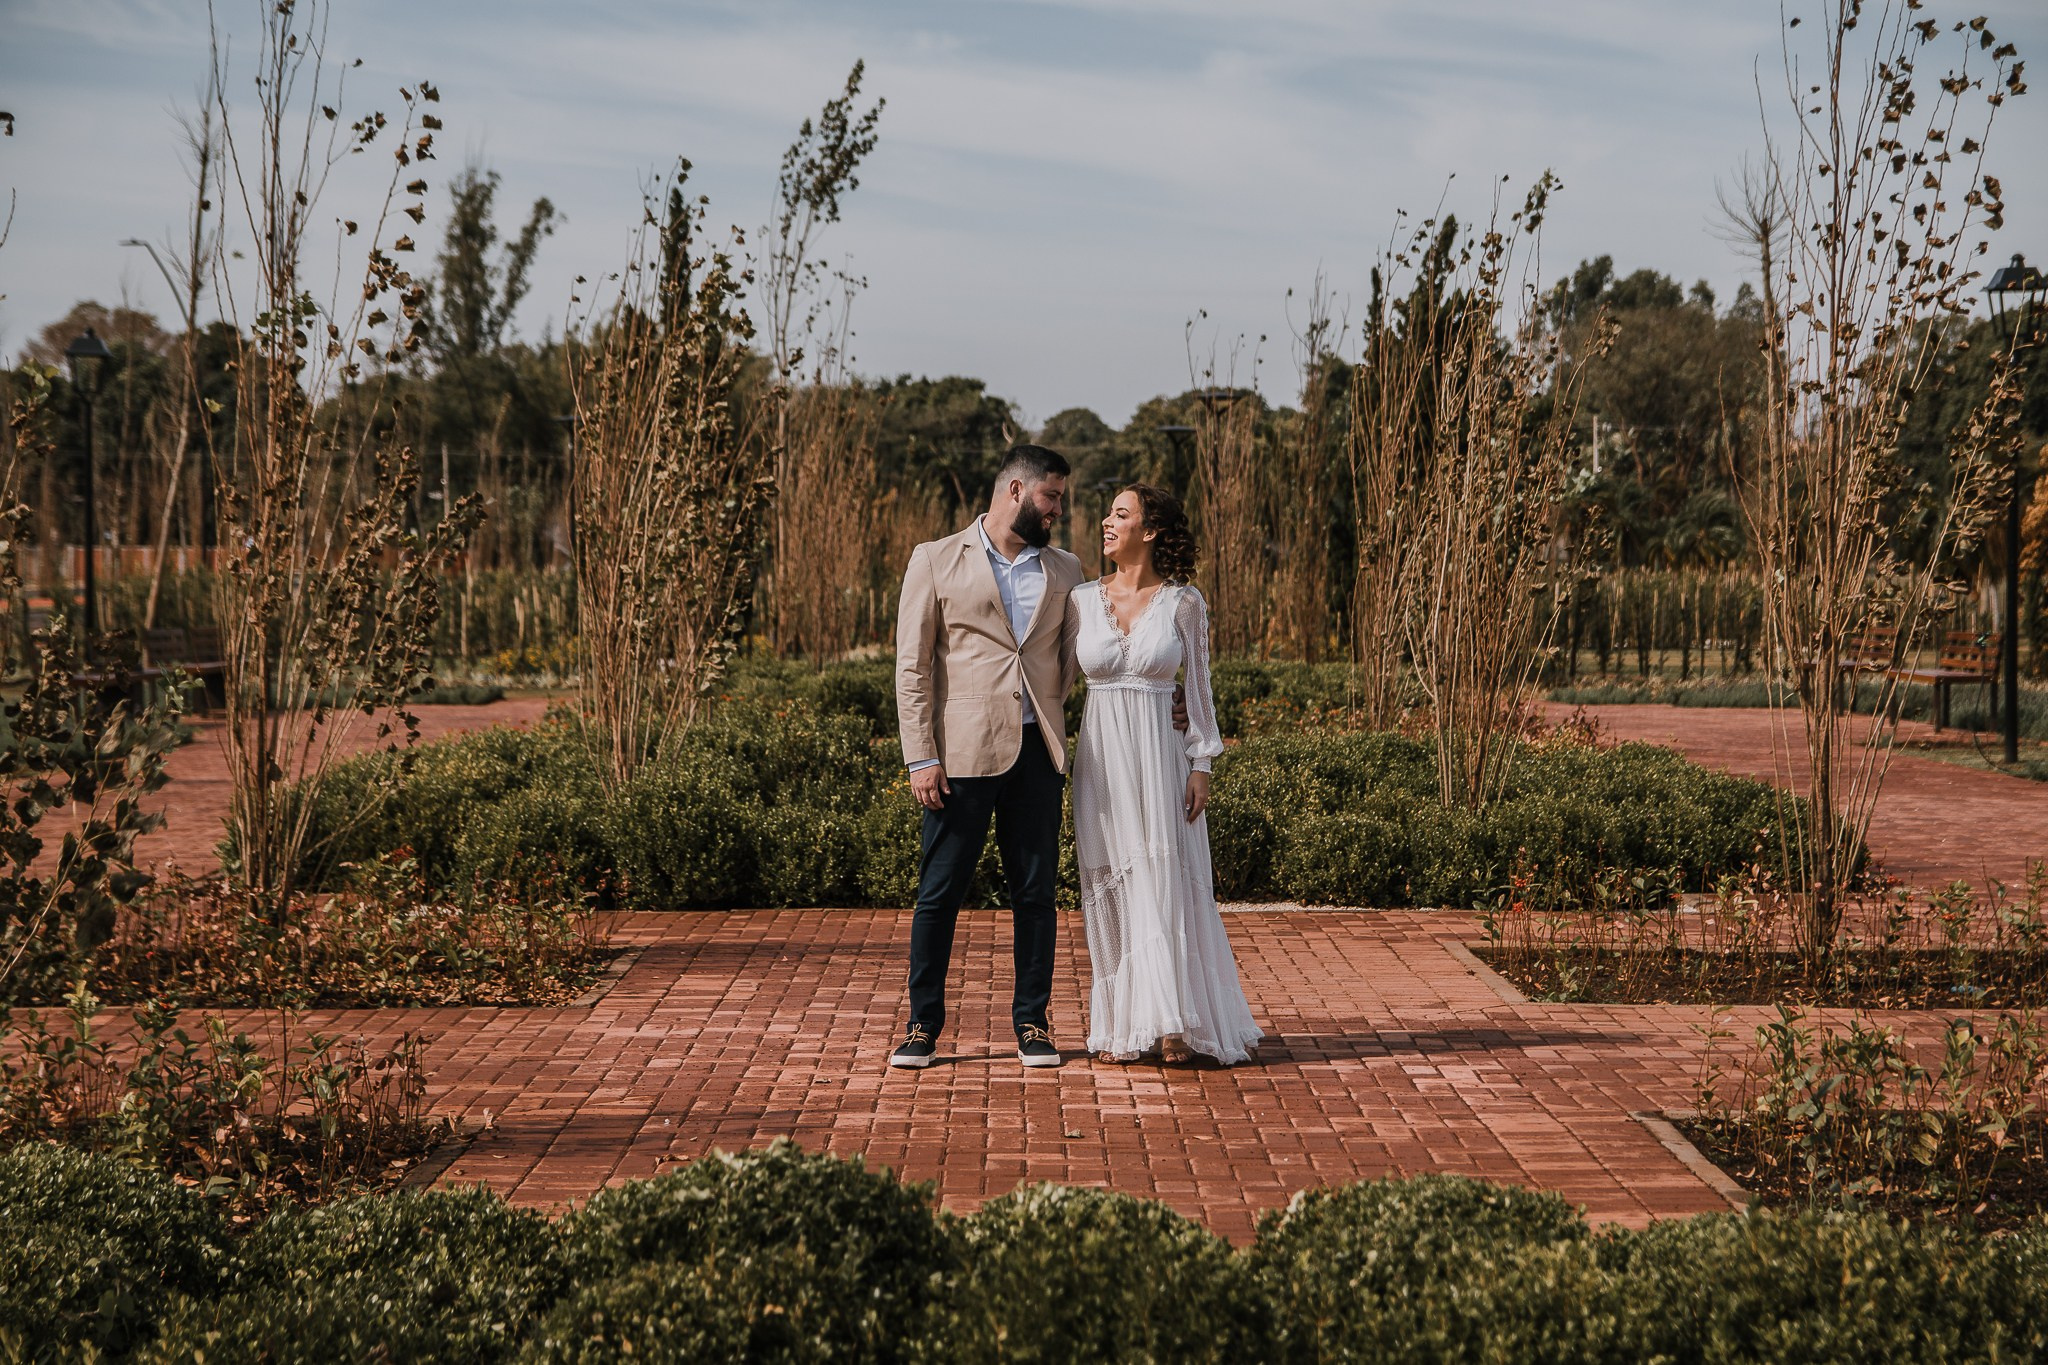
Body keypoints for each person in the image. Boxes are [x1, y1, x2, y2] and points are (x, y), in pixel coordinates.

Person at [889, 445, 1084, 1069]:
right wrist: (921, 757)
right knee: (939, 893)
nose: (1057, 509)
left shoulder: (1066, 570)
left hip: (1036, 753)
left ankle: (1032, 1022)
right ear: (1017, 489)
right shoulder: (935, 559)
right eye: (1051, 497)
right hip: (960, 757)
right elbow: (913, 668)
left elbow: (1078, 661)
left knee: (1035, 894)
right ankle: (922, 1025)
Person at [1071, 484, 1262, 1066]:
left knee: (1167, 879)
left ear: (1149, 531)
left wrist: (1201, 763)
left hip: (1161, 756)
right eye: (1109, 514)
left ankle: (1175, 1020)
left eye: (1121, 515)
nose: (1107, 522)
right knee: (1115, 883)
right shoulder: (1079, 599)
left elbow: (1199, 691)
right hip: (1100, 760)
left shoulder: (1184, 602)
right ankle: (1126, 1020)